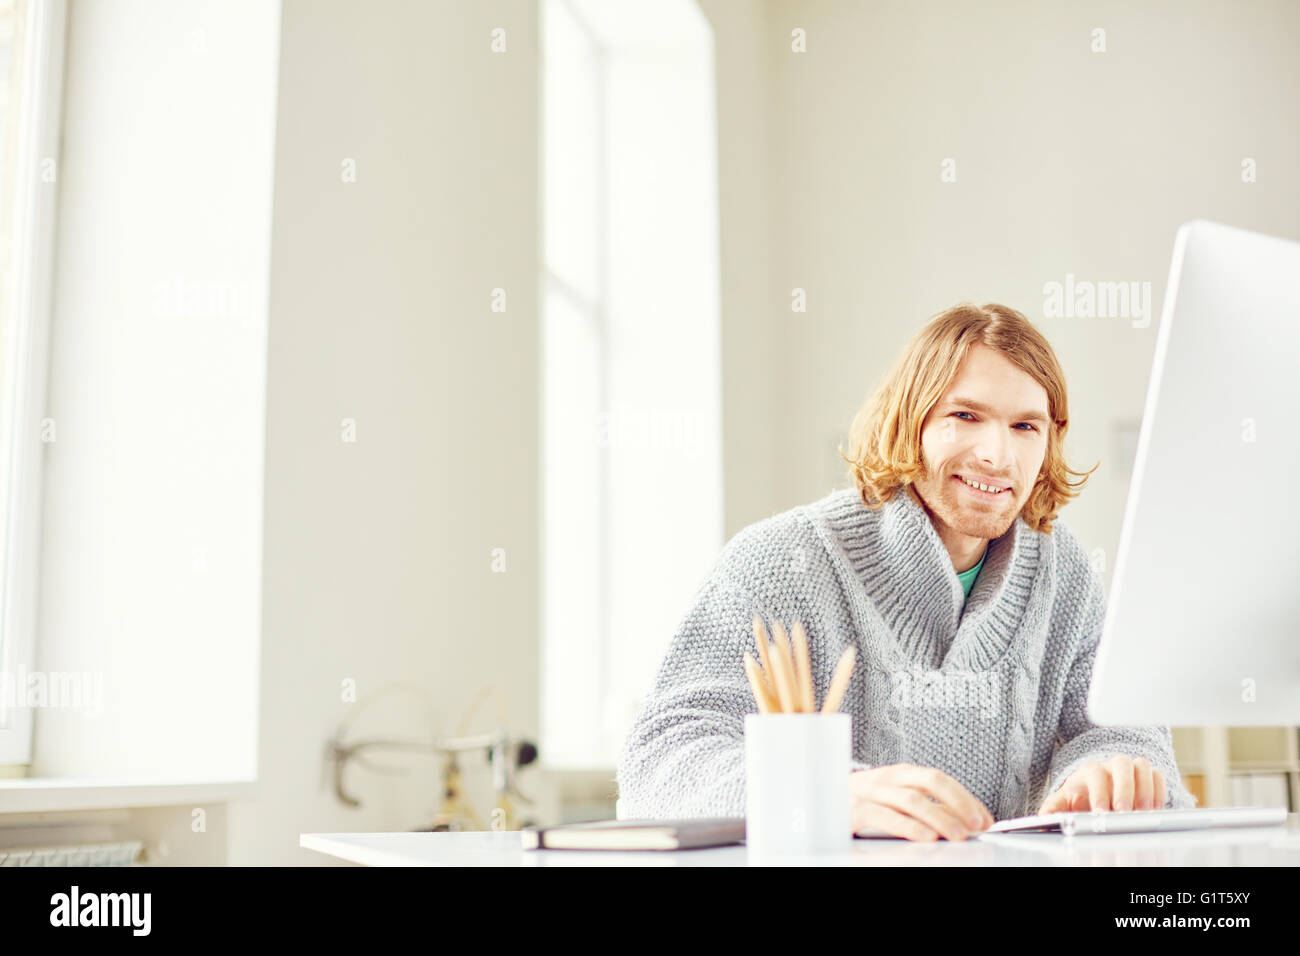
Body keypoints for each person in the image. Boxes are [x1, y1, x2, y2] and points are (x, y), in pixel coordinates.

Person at [615, 302, 1195, 841]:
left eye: (1025, 427)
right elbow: (660, 761)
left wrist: (1104, 773)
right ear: (909, 421)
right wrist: (823, 795)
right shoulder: (779, 560)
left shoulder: (1064, 570)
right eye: (965, 415)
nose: (998, 454)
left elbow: (1125, 732)